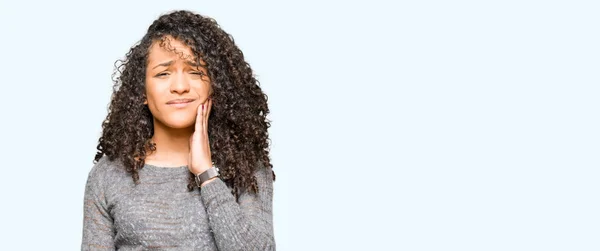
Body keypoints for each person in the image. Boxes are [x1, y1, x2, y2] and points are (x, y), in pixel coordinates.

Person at [81, 10, 276, 250]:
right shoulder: (108, 175)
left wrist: (206, 174)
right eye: (163, 74)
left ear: (214, 85)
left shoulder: (246, 167)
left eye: (195, 71)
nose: (180, 87)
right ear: (142, 91)